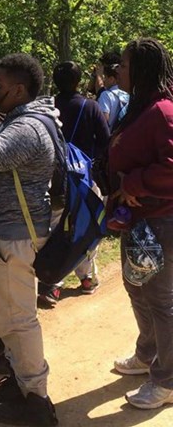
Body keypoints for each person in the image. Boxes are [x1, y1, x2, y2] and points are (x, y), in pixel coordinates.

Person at [0, 53, 59, 426]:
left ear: (19, 90)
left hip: (11, 237)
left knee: (18, 320)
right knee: (9, 318)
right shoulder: (26, 118)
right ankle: (24, 384)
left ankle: (36, 401)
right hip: (9, 235)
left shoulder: (28, 127)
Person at [106, 37, 173, 410]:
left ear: (143, 71)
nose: (118, 70)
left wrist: (133, 184)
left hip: (161, 220)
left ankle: (167, 380)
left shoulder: (163, 111)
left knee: (161, 300)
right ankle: (148, 353)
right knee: (137, 289)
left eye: (125, 65)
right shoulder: (140, 106)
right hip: (138, 221)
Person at [39, 61, 110, 300]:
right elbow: (105, 141)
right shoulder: (90, 106)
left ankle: (52, 280)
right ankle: (86, 277)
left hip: (54, 179)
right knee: (86, 227)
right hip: (83, 177)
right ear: (79, 81)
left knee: (56, 228)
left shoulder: (48, 108)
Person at [98, 63, 129, 130]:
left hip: (109, 136)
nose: (103, 80)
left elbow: (103, 122)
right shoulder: (128, 94)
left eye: (105, 77)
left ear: (111, 79)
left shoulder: (106, 95)